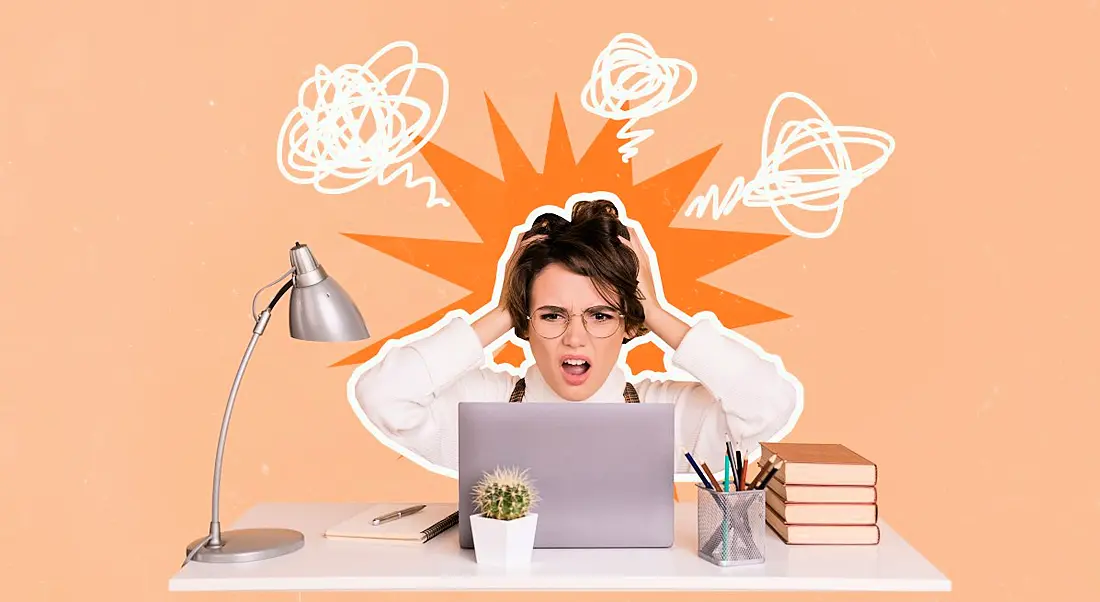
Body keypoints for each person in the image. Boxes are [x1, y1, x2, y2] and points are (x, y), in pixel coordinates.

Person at [351, 195, 802, 477]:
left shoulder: (666, 414)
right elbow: (383, 394)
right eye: (552, 316)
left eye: (600, 315)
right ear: (525, 324)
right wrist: (504, 310)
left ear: (629, 323)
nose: (575, 338)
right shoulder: (482, 408)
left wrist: (658, 312)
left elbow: (770, 404)